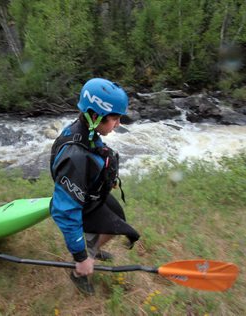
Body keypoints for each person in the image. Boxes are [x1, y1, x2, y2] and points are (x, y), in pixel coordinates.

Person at [49, 78, 140, 295]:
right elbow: (65, 212)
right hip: (79, 200)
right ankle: (79, 270)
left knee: (119, 217)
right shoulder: (75, 157)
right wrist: (80, 258)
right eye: (115, 118)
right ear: (94, 116)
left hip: (90, 191)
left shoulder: (85, 128)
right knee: (118, 228)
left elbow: (94, 149)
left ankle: (93, 250)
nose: (118, 124)